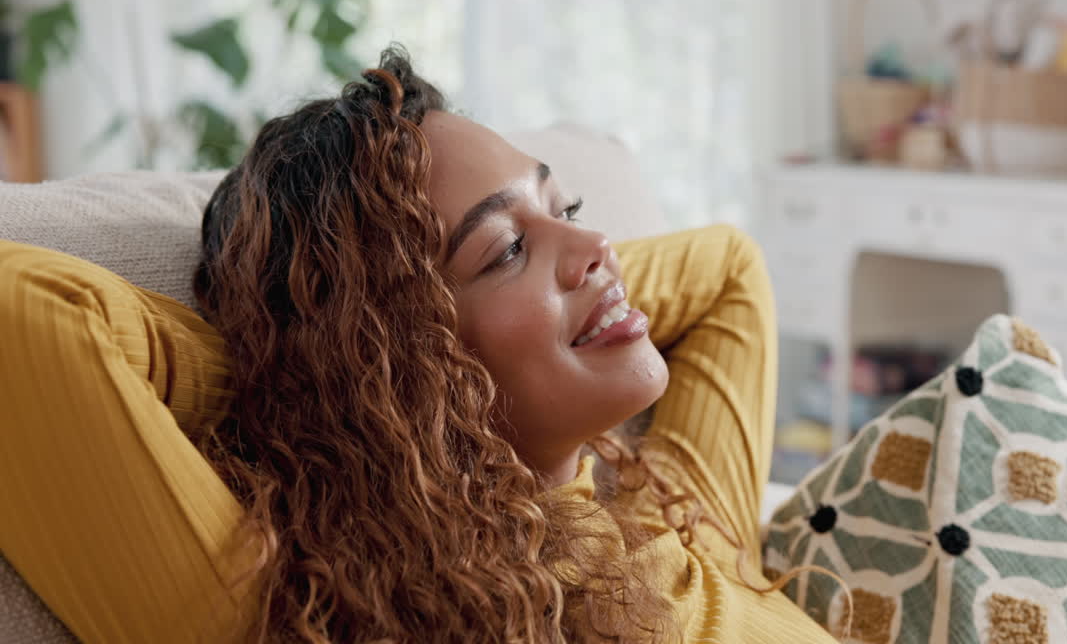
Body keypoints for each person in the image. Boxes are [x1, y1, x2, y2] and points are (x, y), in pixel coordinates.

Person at [194, 46, 839, 643]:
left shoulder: (677, 514)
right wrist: (271, 363)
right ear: (393, 364)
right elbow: (88, 326)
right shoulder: (492, 617)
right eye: (507, 249)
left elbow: (729, 268)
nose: (599, 248)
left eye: (568, 209)